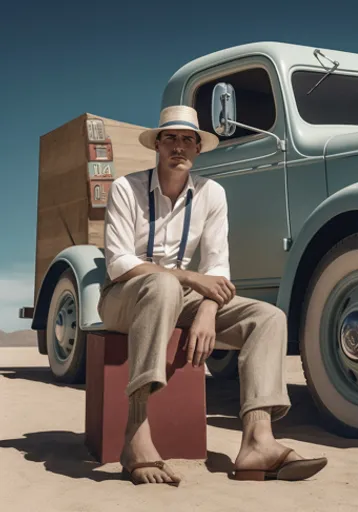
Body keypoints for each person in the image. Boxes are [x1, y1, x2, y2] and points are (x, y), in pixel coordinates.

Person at [97, 105, 328, 486]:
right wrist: (189, 277)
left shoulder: (211, 194)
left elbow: (218, 266)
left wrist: (207, 306)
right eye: (170, 138)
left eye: (188, 139)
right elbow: (119, 262)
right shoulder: (127, 188)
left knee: (268, 318)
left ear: (198, 149)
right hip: (125, 297)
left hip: (183, 298)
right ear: (157, 144)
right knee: (164, 285)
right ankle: (135, 435)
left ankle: (257, 440)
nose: (179, 146)